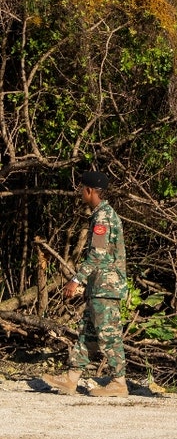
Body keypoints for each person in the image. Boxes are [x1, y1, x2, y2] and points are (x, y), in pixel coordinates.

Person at [42, 170, 129, 397]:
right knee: (87, 334)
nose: (80, 192)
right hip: (99, 287)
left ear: (90, 191)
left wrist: (75, 280)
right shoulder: (103, 214)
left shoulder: (102, 217)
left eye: (82, 188)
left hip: (106, 288)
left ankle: (119, 382)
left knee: (107, 334)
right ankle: (71, 379)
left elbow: (98, 255)